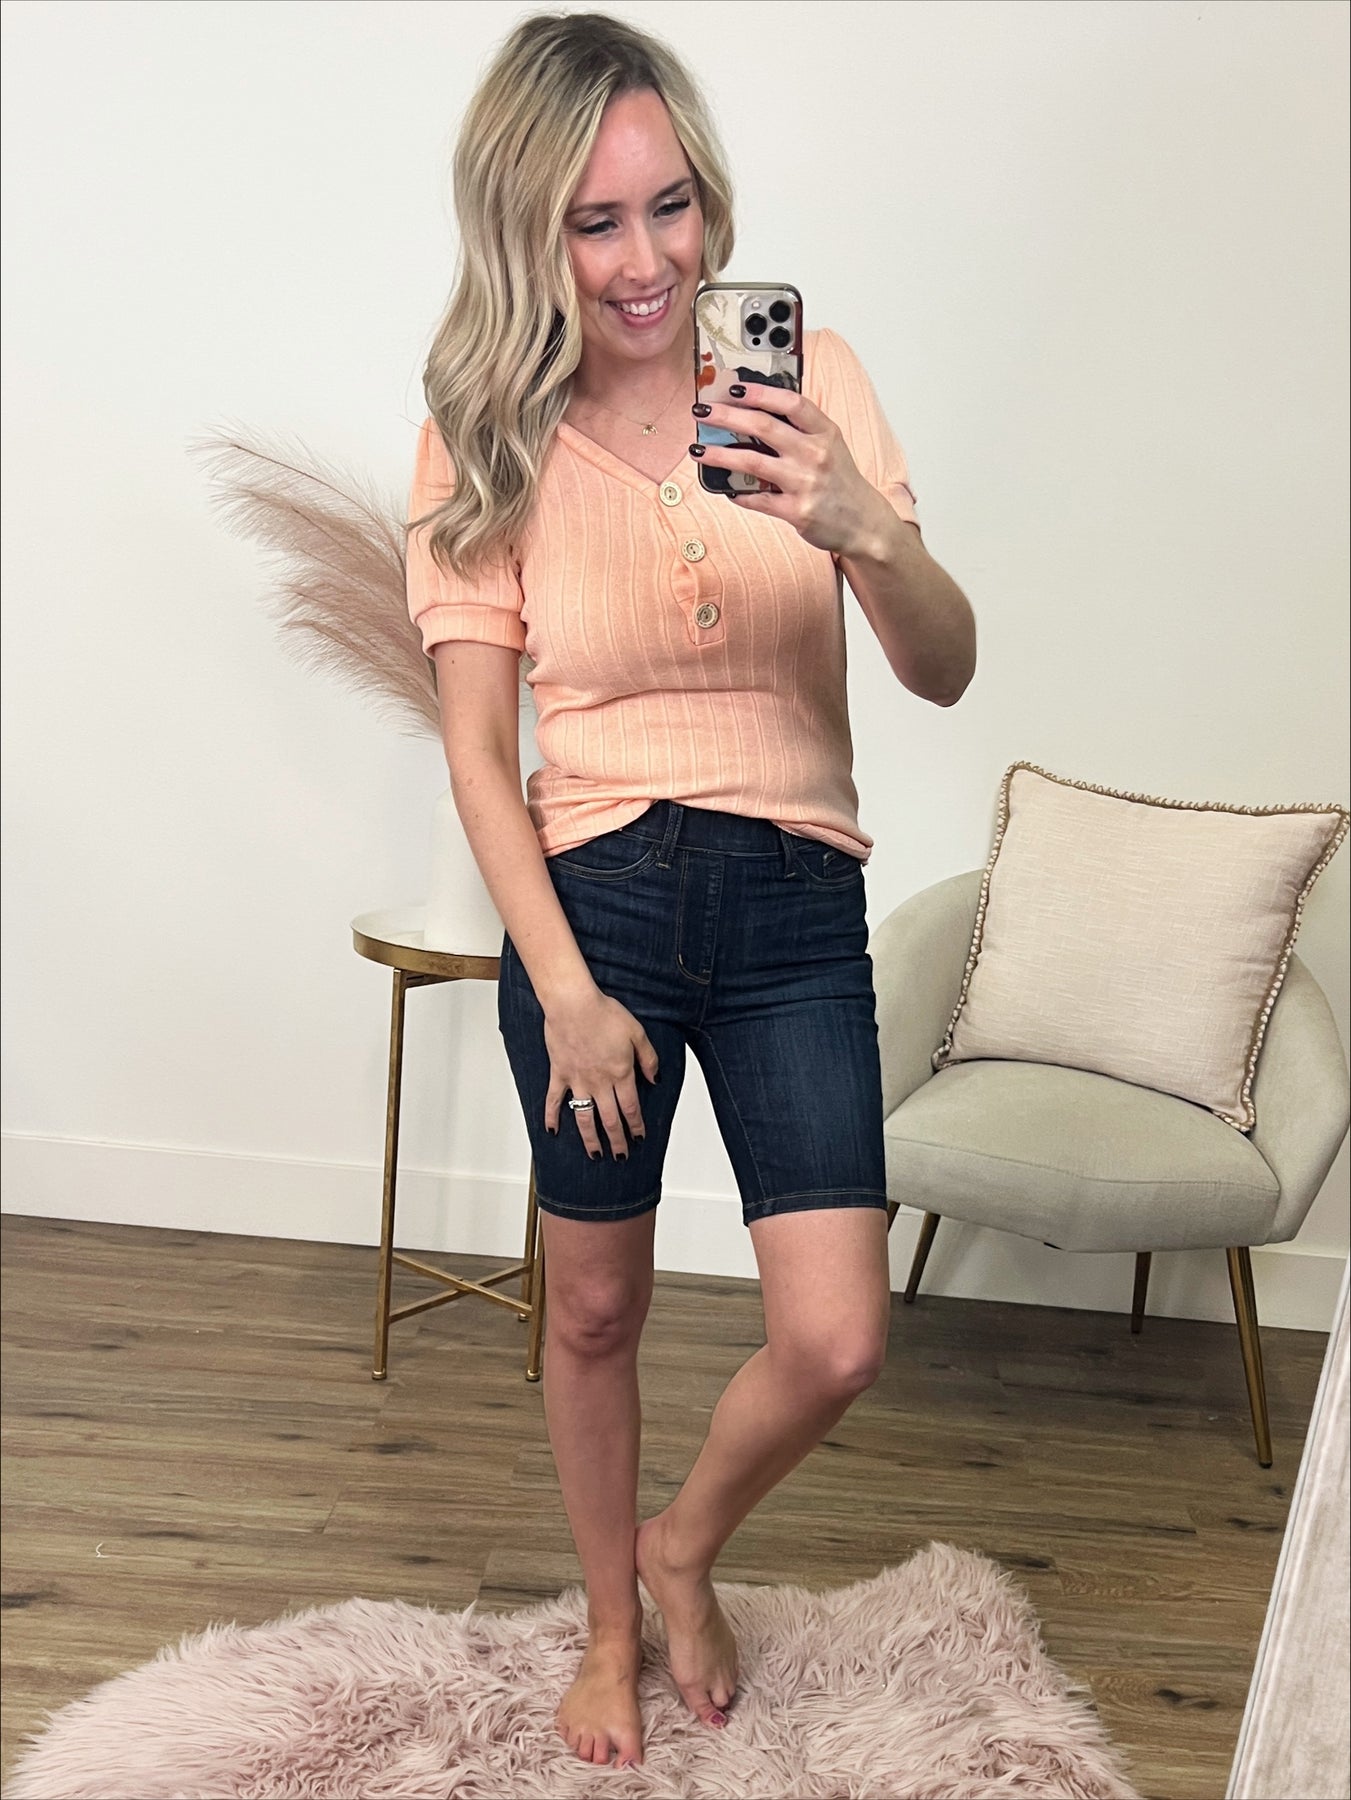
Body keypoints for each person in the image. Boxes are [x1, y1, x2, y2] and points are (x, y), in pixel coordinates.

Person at [405, 9, 976, 1773]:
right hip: (597, 912)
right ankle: (606, 1626)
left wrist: (865, 526)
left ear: (711, 202)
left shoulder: (815, 385)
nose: (646, 260)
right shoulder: (484, 438)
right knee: (594, 1306)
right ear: (531, 235)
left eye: (671, 207)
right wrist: (566, 989)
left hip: (797, 904)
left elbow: (945, 670)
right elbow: (480, 757)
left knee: (838, 1335)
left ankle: (682, 1548)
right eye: (596, 223)